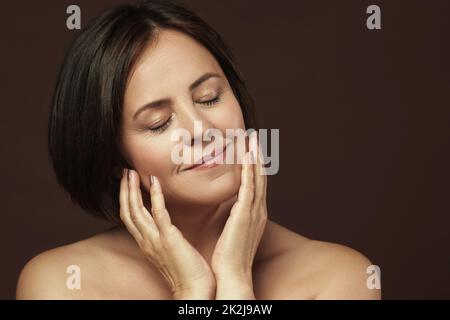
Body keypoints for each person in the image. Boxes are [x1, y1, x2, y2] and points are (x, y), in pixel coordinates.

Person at [16, 0, 380, 300]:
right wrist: (190, 291)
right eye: (159, 122)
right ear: (112, 156)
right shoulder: (64, 283)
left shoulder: (342, 278)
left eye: (209, 98)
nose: (201, 131)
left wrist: (235, 282)